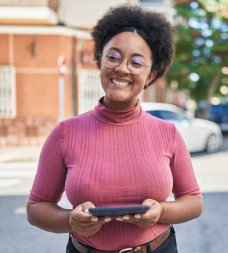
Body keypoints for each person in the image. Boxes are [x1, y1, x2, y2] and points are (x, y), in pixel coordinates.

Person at [26, 4, 203, 253]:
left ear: (151, 75)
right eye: (113, 57)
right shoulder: (65, 133)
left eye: (137, 62)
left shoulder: (168, 133)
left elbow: (193, 201)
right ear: (99, 61)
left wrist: (161, 211)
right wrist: (70, 220)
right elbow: (36, 208)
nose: (122, 68)